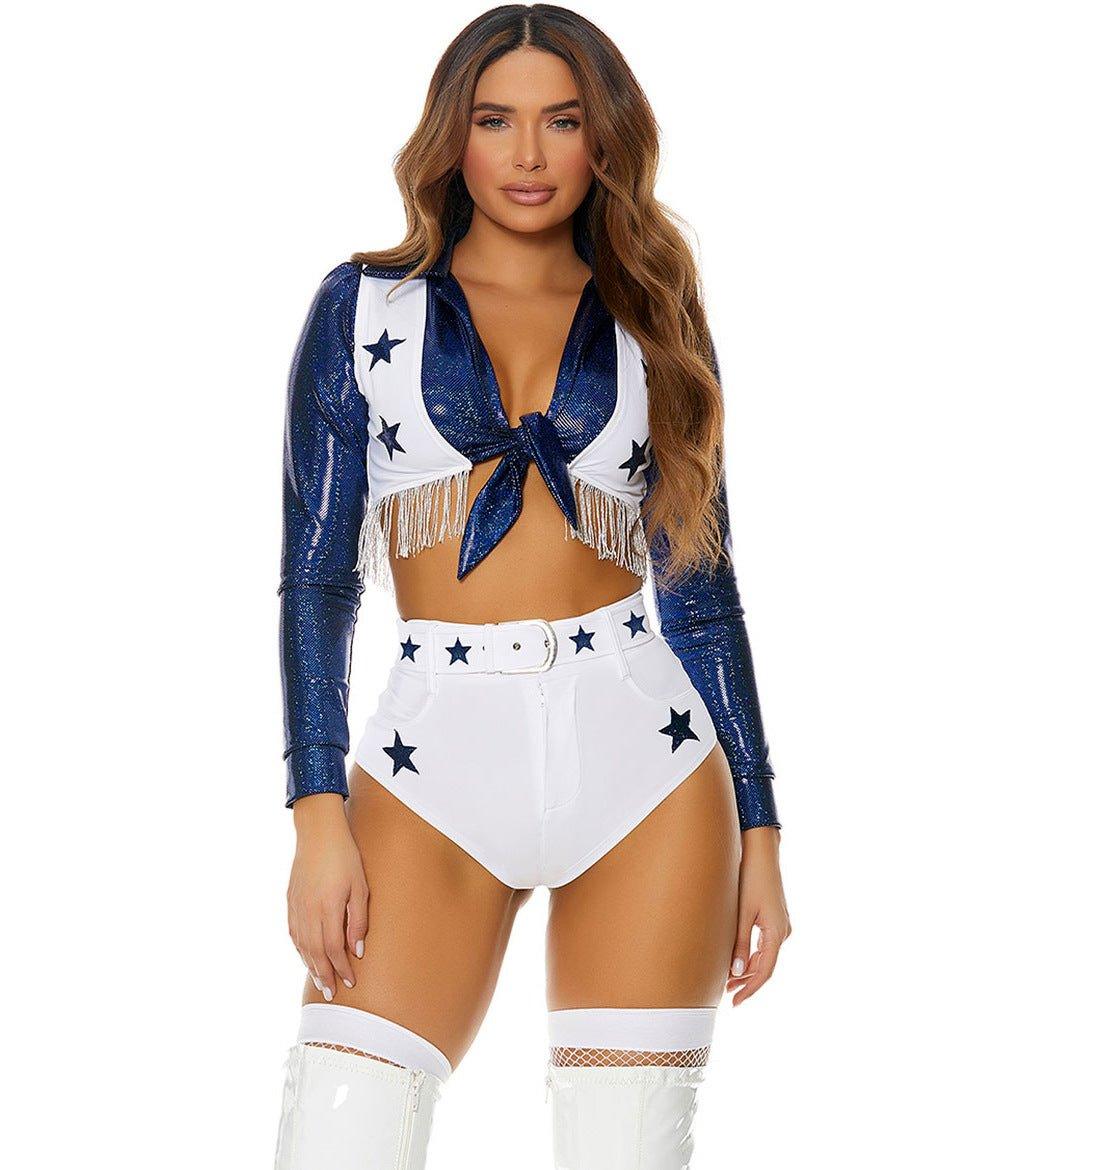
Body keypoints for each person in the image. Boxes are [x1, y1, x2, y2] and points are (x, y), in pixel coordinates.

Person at [272, 6, 791, 1167]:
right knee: (339, 1135)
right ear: (450, 136)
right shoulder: (366, 308)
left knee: (627, 1148)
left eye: (561, 121)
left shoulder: (654, 312)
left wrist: (760, 825)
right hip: (433, 763)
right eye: (494, 120)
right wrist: (316, 812)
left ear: (604, 138)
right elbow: (316, 581)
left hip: (649, 767)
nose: (527, 154)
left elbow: (701, 589)